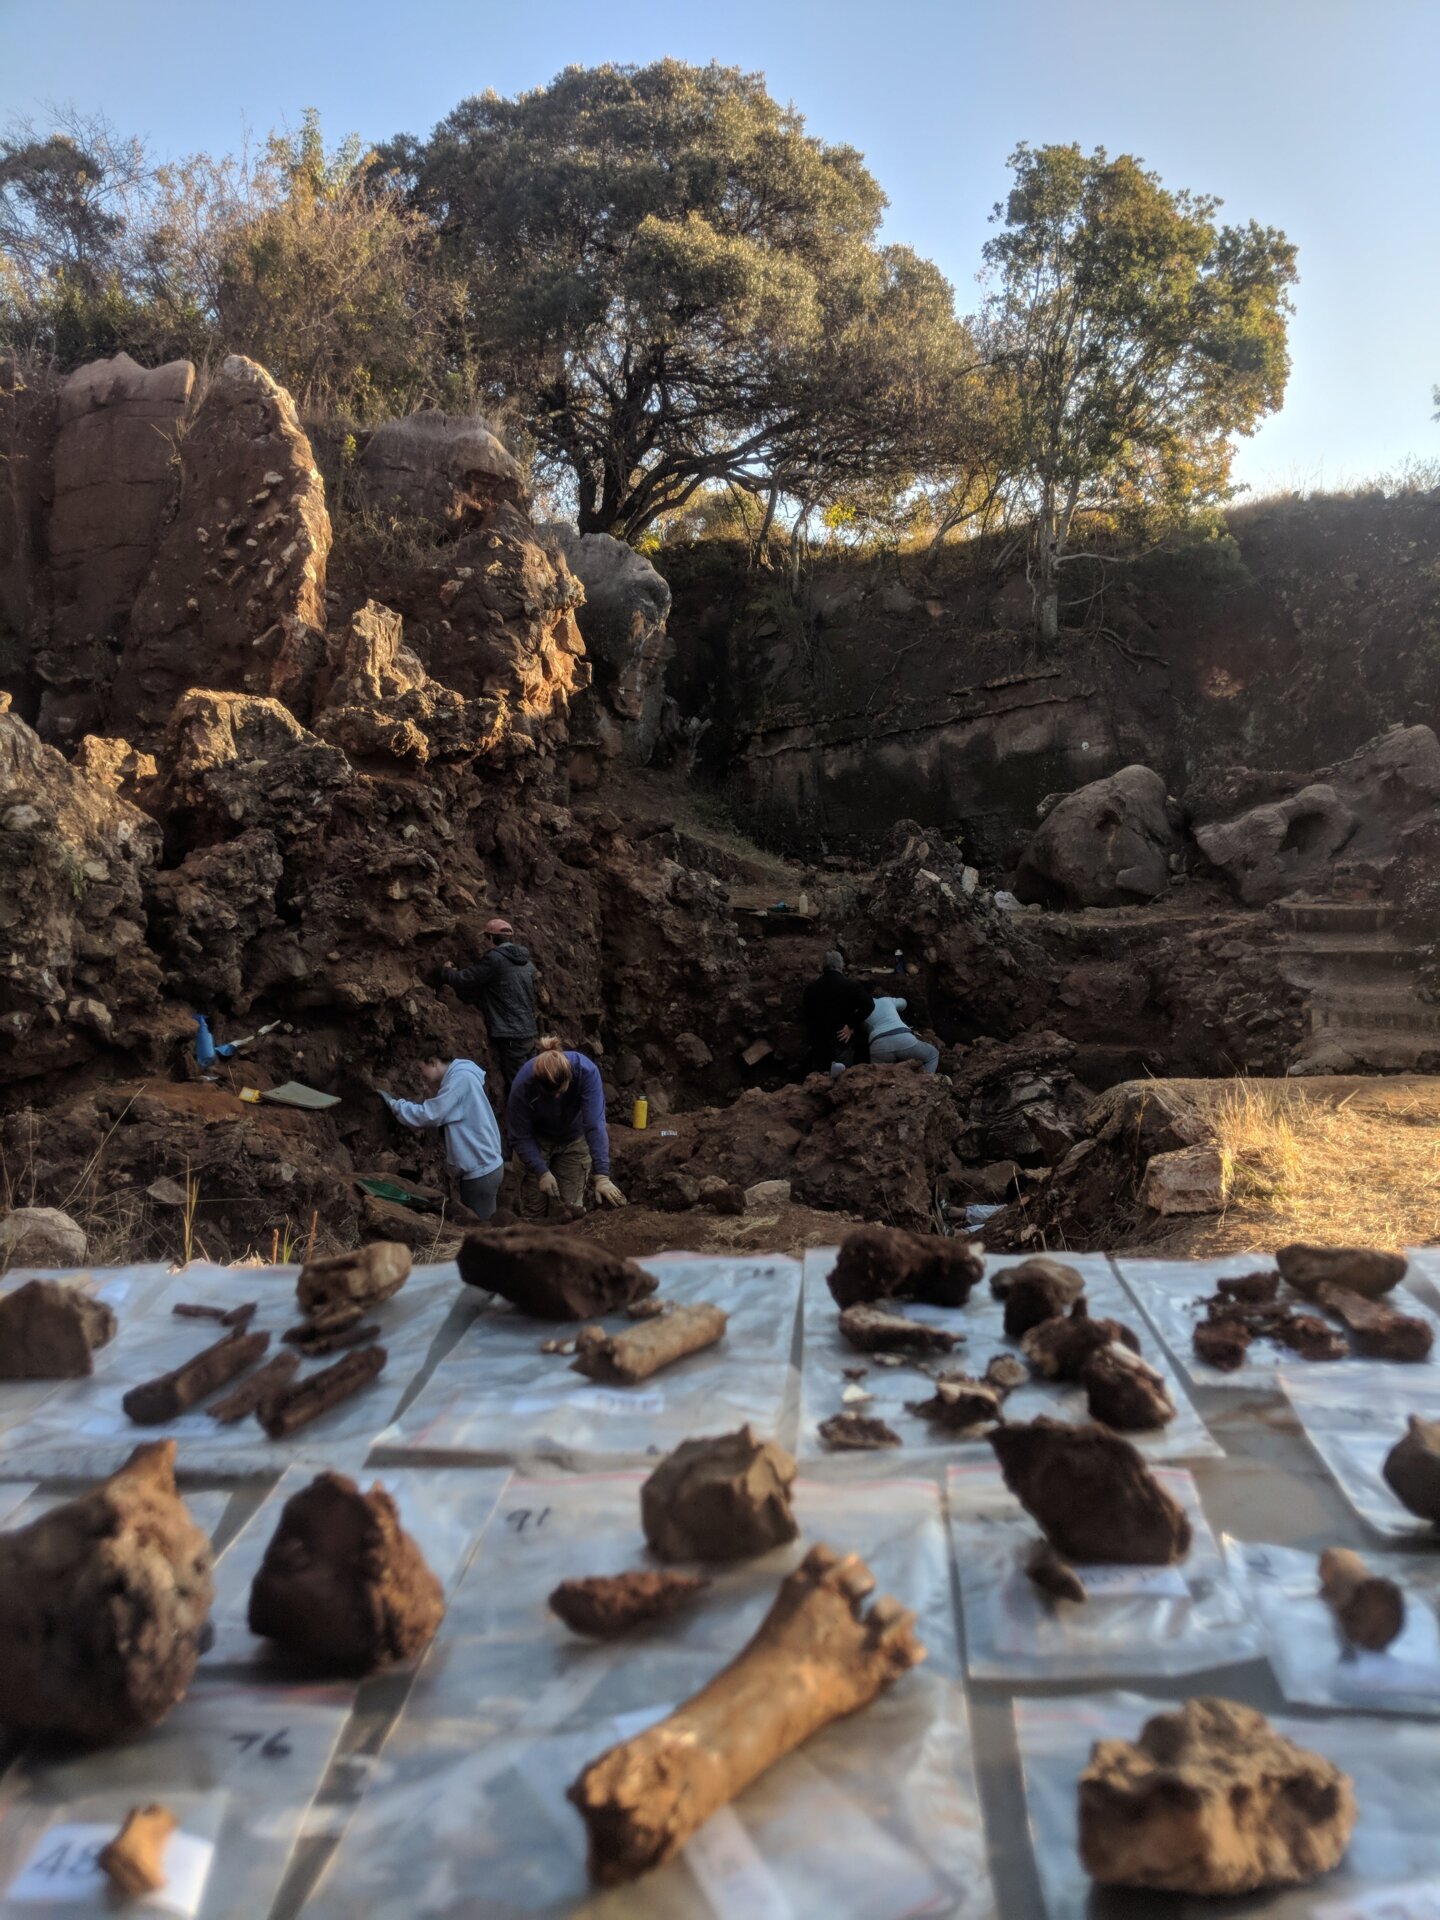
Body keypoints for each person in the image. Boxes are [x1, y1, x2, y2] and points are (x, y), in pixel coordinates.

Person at [507, 1035, 627, 1220]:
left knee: (569, 1212)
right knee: (533, 1212)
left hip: (574, 1139)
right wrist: (542, 1171)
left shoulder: (586, 1072)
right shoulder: (523, 1085)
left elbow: (594, 1123)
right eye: (550, 1094)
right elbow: (519, 1136)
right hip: (536, 1141)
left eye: (561, 1091)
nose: (556, 1097)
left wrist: (602, 1175)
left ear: (570, 1076)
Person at [379, 1054, 505, 1221]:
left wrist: (397, 1106)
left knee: (481, 1232)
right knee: (481, 1227)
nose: (421, 1073)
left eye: (420, 1068)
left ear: (432, 1062)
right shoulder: (463, 1075)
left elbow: (430, 1115)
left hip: (480, 1172)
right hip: (485, 1167)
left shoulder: (458, 1082)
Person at [440, 918, 537, 1094]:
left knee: (520, 1088)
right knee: (532, 1081)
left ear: (491, 938)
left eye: (486, 937)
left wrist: (447, 972)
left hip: (510, 1034)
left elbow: (466, 980)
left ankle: (528, 1120)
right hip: (529, 1031)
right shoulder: (527, 962)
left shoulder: (495, 959)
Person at [802, 950, 875, 1077]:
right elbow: (869, 1005)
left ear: (823, 967)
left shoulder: (812, 988)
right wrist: (851, 1024)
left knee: (820, 1078)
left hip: (819, 1041)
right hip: (841, 1038)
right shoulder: (851, 985)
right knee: (843, 1077)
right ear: (840, 965)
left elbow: (807, 1015)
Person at [864, 994, 941, 1074]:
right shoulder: (886, 1000)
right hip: (903, 1039)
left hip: (878, 1045)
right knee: (932, 1054)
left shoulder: (860, 1007)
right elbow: (903, 1003)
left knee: (876, 1075)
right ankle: (927, 1081)